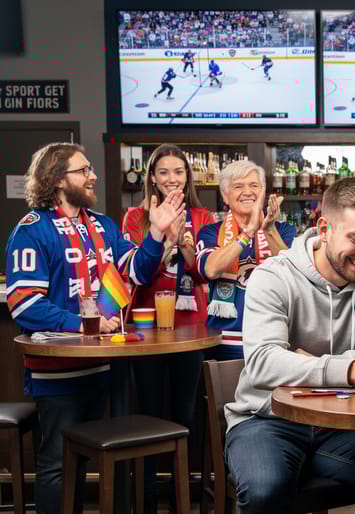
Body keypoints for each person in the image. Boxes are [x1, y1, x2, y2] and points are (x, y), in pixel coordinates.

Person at [224, 178, 355, 514]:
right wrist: (352, 370)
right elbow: (263, 363)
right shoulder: (273, 276)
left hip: (346, 422)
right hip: (268, 419)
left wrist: (316, 364)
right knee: (265, 490)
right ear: (324, 229)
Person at [5, 142, 183, 514]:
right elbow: (24, 304)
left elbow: (135, 272)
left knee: (95, 460)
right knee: (58, 462)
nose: (93, 175)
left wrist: (155, 234)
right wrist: (85, 325)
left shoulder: (103, 225)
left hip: (105, 368)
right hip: (57, 372)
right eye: (83, 170)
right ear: (57, 179)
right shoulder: (32, 230)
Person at [121, 143, 214, 513]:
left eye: (178, 171)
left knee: (185, 414)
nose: (172, 179)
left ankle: (181, 498)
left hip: (190, 328)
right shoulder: (135, 217)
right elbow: (137, 272)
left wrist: (186, 247)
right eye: (163, 172)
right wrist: (163, 240)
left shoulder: (203, 216)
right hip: (145, 326)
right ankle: (145, 498)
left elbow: (204, 272)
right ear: (152, 178)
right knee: (147, 413)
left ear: (188, 177)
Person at [196, 160, 295, 360]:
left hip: (273, 343)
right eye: (238, 186)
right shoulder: (210, 232)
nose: (247, 192)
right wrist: (248, 231)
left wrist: (268, 229)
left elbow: (294, 272)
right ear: (225, 195)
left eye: (254, 185)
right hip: (223, 343)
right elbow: (211, 269)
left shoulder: (283, 230)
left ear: (263, 192)